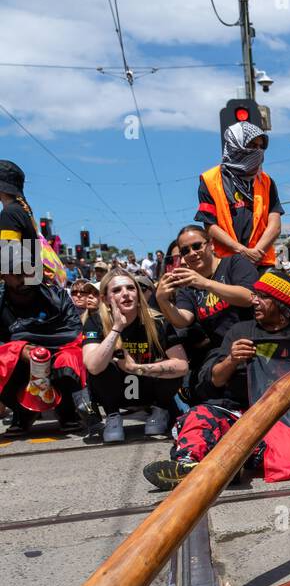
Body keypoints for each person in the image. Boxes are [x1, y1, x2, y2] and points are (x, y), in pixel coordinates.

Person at [143, 269, 290, 489]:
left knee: (271, 446)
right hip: (237, 413)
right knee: (200, 415)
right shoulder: (240, 331)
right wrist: (231, 360)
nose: (254, 300)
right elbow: (212, 381)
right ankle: (186, 464)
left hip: (284, 420)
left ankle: (227, 464)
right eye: (255, 294)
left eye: (263, 296)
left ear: (283, 305)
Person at [83, 268, 188, 442]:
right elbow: (93, 366)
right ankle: (113, 416)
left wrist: (137, 368)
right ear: (105, 299)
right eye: (117, 290)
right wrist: (117, 328)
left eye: (130, 288)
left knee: (170, 367)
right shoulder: (95, 321)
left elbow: (182, 365)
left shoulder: (158, 322)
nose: (125, 294)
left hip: (149, 389)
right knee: (102, 363)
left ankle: (160, 410)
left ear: (138, 294)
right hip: (116, 391)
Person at [155, 224, 257, 396]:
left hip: (252, 347)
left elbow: (249, 297)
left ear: (211, 245)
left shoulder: (234, 263)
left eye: (196, 246)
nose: (192, 253)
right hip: (223, 356)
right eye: (185, 250)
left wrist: (205, 283)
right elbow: (182, 319)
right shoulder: (189, 286)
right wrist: (162, 300)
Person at [0, 246, 85, 431]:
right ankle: (22, 411)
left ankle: (67, 410)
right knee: (6, 357)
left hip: (56, 357)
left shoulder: (59, 296)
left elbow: (74, 332)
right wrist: (19, 349)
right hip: (18, 364)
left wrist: (39, 349)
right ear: (3, 275)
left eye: (28, 271)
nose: (23, 278)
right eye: (16, 273)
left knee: (72, 356)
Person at [196, 121, 282, 265]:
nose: (258, 151)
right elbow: (210, 225)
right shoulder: (209, 180)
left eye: (261, 147)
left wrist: (255, 253)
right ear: (235, 146)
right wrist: (242, 250)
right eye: (253, 146)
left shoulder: (266, 181)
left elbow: (275, 224)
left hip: (261, 262)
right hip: (227, 263)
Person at [0, 160, 66, 287]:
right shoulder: (23, 211)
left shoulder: (10, 213)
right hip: (29, 286)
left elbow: (8, 257)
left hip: (17, 289)